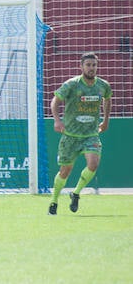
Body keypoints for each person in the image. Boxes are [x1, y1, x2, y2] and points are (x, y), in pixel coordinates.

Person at [48, 52, 111, 215]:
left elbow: (107, 99)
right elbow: (55, 100)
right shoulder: (72, 84)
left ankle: (76, 193)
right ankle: (54, 201)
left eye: (94, 65)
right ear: (81, 66)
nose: (91, 68)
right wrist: (57, 120)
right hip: (70, 136)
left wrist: (105, 120)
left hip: (91, 135)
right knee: (65, 171)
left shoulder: (103, 85)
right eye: (88, 65)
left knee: (93, 164)